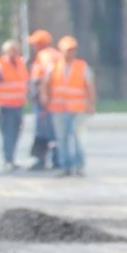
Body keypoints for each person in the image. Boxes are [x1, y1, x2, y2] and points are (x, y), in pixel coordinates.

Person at [42, 35, 96, 177]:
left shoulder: (82, 67)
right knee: (62, 139)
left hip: (78, 109)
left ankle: (79, 166)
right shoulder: (54, 67)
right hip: (58, 109)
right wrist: (45, 98)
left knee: (79, 138)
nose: (70, 53)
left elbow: (89, 87)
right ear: (61, 51)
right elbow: (45, 84)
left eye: (73, 50)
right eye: (67, 50)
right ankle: (65, 166)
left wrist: (91, 104)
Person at [0, 39, 29, 171]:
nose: (15, 53)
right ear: (5, 51)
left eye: (16, 50)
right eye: (12, 50)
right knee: (8, 134)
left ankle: (11, 158)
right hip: (5, 106)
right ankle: (8, 160)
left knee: (16, 133)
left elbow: (24, 81)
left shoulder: (21, 63)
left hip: (18, 105)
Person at [27, 29, 62, 170]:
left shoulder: (45, 56)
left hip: (45, 101)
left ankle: (44, 160)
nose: (33, 47)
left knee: (44, 130)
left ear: (40, 44)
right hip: (49, 100)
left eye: (35, 44)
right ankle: (56, 158)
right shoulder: (53, 55)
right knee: (51, 130)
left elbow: (47, 77)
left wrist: (43, 96)